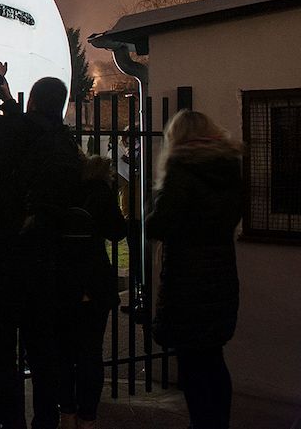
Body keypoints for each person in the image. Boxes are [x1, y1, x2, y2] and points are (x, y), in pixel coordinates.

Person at [0, 61, 83, 429]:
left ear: (32, 101)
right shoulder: (65, 144)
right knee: (43, 345)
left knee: (2, 347)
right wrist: (10, 101)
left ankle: (8, 419)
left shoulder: (15, 132)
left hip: (4, 251)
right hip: (45, 256)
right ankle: (46, 419)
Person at [146, 110, 242, 429]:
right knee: (213, 359)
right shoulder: (228, 168)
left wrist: (152, 208)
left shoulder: (181, 168)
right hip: (221, 276)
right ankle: (218, 423)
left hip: (188, 281)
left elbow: (160, 224)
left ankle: (202, 423)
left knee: (191, 364)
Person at [55, 155, 126, 429]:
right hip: (94, 280)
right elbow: (117, 231)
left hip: (63, 281)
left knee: (63, 352)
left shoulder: (60, 191)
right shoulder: (100, 192)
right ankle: (87, 416)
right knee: (90, 353)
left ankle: (67, 412)